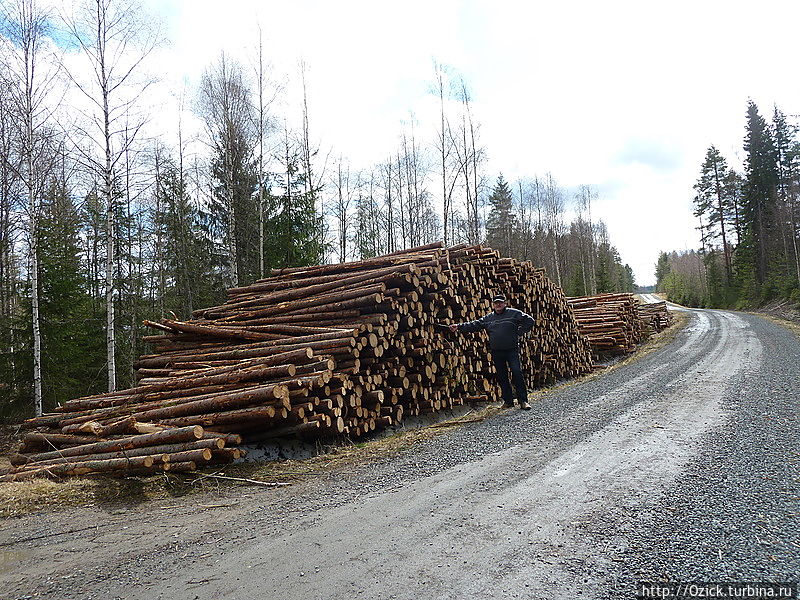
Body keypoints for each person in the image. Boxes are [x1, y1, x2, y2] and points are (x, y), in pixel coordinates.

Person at [448, 294, 534, 410]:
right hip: (497, 351)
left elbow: (530, 321)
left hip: (511, 350)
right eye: (496, 303)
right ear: (493, 305)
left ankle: (523, 401)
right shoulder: (489, 318)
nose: (498, 305)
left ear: (504, 303)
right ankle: (508, 401)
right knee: (502, 376)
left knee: (517, 373)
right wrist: (458, 326)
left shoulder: (514, 313)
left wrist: (519, 332)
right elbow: (475, 324)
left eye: (500, 302)